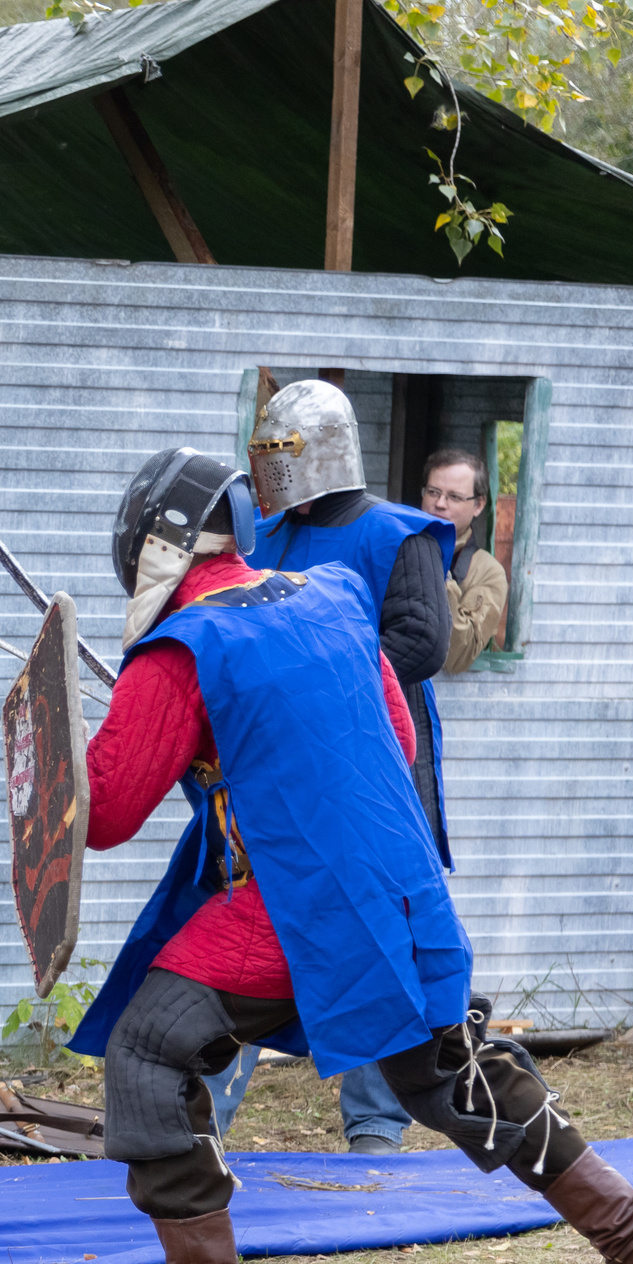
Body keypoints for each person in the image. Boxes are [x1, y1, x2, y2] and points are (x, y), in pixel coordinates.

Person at [66, 447, 633, 1264]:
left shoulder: (182, 649)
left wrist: (96, 741)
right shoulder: (329, 596)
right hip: (400, 892)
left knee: (149, 1050)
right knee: (445, 1067)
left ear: (152, 545)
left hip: (298, 909)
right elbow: (394, 738)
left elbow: (107, 810)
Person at [234, 380, 457, 1155]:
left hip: (373, 771)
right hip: (281, 771)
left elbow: (421, 642)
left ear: (323, 451)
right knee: (241, 917)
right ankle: (201, 1117)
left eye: (282, 453)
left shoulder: (399, 534)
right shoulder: (262, 542)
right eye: (264, 455)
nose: (270, 469)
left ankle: (375, 1124)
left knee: (379, 934)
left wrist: (324, 689)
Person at [421, 449, 510, 672]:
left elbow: (457, 658)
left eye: (454, 497)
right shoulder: (395, 545)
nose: (440, 504)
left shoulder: (488, 572)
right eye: (433, 492)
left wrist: (437, 575)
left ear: (479, 505)